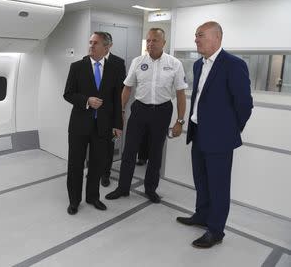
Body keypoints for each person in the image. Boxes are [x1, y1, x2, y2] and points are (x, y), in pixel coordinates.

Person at [176, 21, 253, 248]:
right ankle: (201, 215)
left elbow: (244, 105)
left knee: (219, 186)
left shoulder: (234, 64)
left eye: (200, 35)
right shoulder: (200, 65)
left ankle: (216, 230)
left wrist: (230, 130)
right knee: (201, 181)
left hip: (220, 138)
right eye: (196, 36)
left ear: (217, 37)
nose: (196, 40)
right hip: (198, 132)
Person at [106, 28, 187, 203]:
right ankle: (123, 188)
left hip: (162, 111)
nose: (150, 44)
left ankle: (151, 189)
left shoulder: (174, 64)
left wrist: (180, 121)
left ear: (163, 43)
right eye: (148, 40)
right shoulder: (138, 61)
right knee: (129, 151)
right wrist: (120, 112)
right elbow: (127, 88)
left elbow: (180, 94)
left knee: (155, 153)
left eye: (154, 41)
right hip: (139, 110)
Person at [64, 32, 123, 215]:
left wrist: (117, 124)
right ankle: (74, 201)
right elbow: (68, 94)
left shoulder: (114, 67)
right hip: (79, 126)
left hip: (103, 127)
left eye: (95, 43)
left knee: (97, 164)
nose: (91, 46)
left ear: (106, 47)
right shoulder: (77, 67)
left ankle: (93, 197)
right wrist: (87, 100)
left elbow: (116, 99)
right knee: (75, 164)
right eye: (90, 42)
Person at [99, 32, 126, 187]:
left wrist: (120, 112)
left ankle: (105, 174)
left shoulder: (117, 62)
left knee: (108, 145)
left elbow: (121, 89)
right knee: (94, 142)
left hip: (109, 111)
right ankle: (95, 169)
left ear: (109, 45)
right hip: (93, 110)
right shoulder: (88, 60)